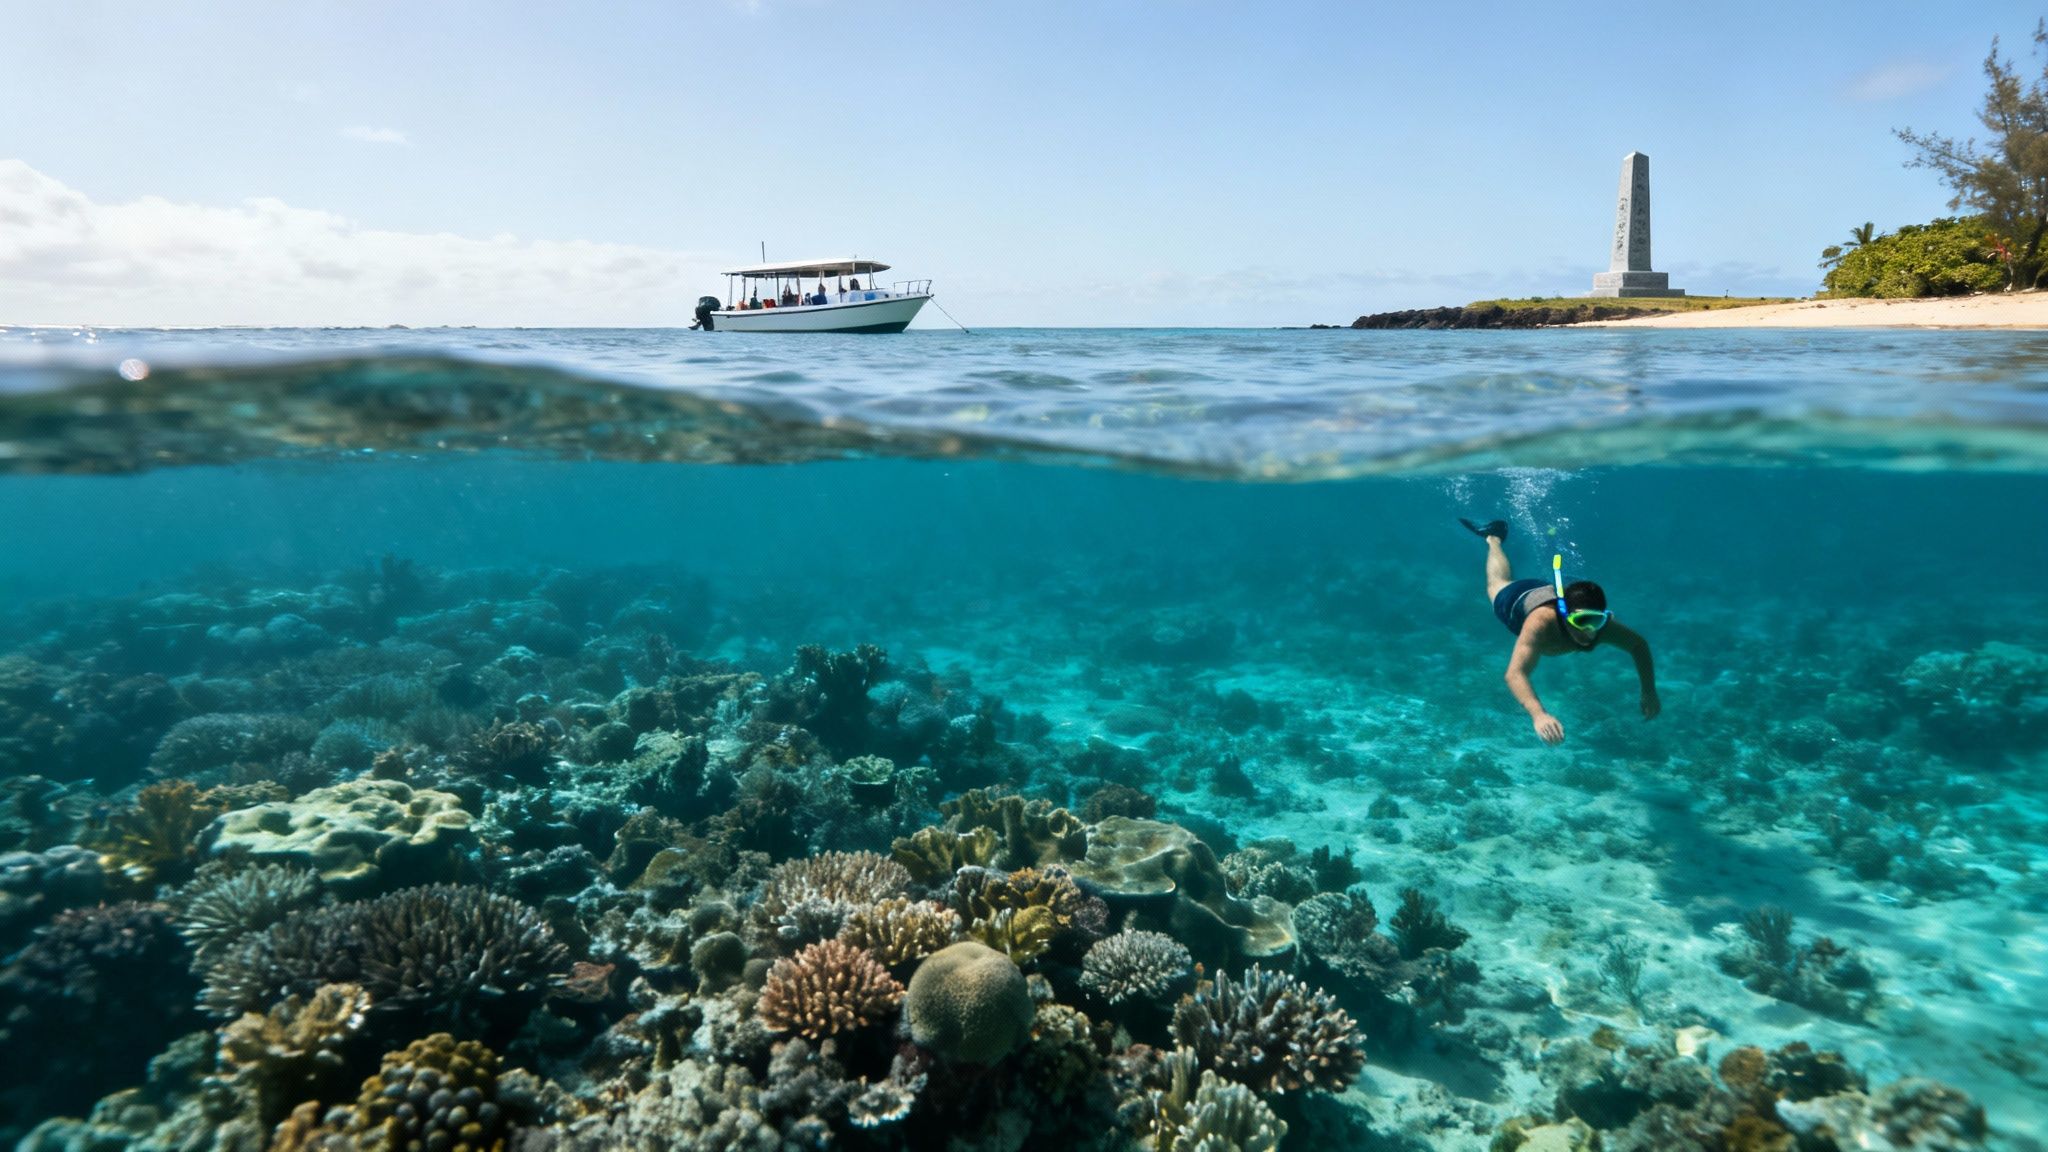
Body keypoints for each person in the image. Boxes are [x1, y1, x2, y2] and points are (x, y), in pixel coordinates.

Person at [1462, 518, 1658, 745]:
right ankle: (1493, 538)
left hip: (1556, 593)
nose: (1588, 632)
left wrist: (1649, 690)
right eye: (1581, 621)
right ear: (1564, 615)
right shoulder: (1540, 623)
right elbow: (1515, 674)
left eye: (1595, 621)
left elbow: (1638, 645)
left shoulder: (1600, 627)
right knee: (1497, 584)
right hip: (1519, 599)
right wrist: (1539, 714)